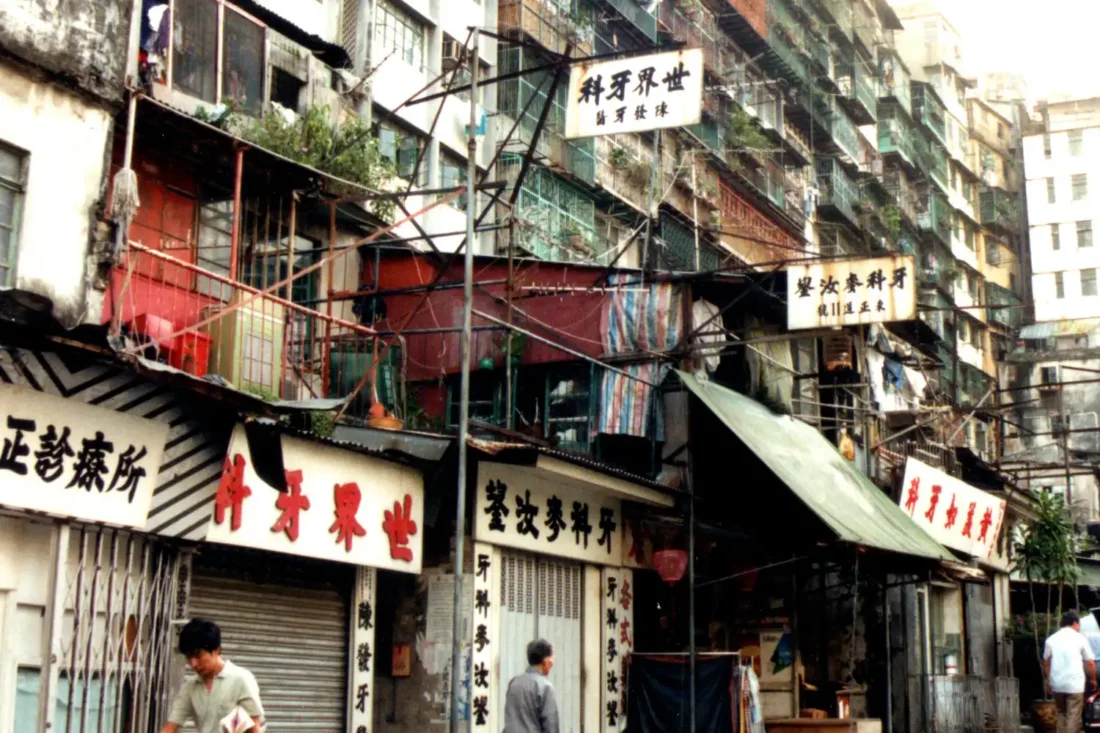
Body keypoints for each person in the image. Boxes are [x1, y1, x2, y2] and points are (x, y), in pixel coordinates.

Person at [159, 618, 265, 733]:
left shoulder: (241, 679)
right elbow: (171, 726)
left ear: (216, 650)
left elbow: (254, 728)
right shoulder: (190, 687)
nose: (193, 663)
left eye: (198, 655)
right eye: (189, 657)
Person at [1044, 610, 1097, 733]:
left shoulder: (1051, 639)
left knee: (1061, 714)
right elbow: (1090, 662)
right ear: (1075, 623)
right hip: (1075, 685)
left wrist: (1048, 682)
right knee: (1073, 715)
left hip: (1057, 684)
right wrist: (1093, 679)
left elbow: (1046, 662)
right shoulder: (1080, 639)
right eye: (1079, 625)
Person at [504, 638, 560, 733]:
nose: (552, 662)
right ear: (546, 661)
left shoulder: (514, 683)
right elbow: (551, 726)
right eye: (552, 657)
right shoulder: (545, 687)